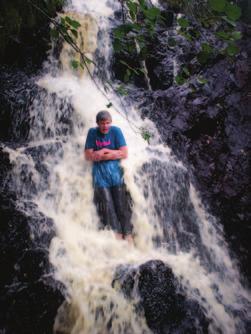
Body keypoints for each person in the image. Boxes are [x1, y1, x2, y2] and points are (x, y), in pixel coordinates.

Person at [84, 110, 133, 243]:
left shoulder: (116, 131)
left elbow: (124, 154)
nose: (105, 126)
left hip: (116, 174)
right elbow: (88, 156)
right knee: (109, 208)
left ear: (110, 123)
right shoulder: (92, 133)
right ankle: (117, 238)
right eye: (102, 123)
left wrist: (104, 152)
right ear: (97, 124)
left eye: (107, 123)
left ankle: (128, 235)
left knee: (121, 206)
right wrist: (108, 153)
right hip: (100, 177)